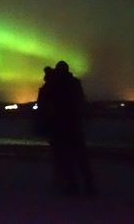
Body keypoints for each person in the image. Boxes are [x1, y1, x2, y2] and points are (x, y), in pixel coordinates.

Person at [47, 61, 96, 196]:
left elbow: (52, 106)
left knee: (67, 160)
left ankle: (73, 188)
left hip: (63, 126)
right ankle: (89, 187)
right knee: (80, 159)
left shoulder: (57, 85)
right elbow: (80, 102)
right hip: (74, 125)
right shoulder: (74, 83)